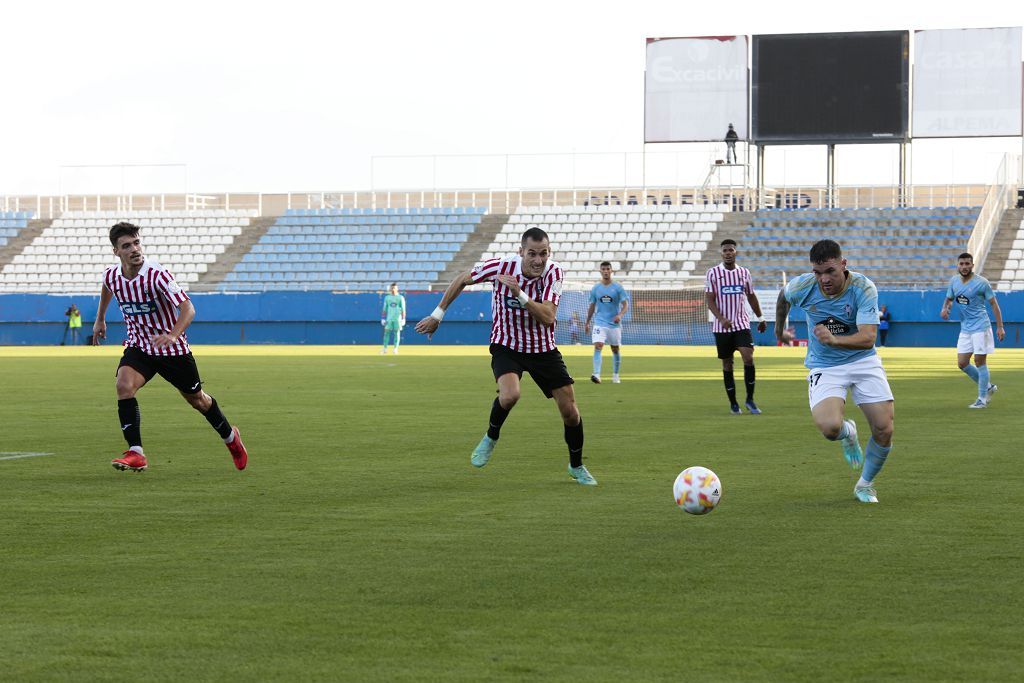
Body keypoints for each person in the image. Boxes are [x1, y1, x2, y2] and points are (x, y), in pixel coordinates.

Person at [414, 226, 596, 486]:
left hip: (543, 348)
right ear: (520, 251)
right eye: (532, 254)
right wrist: (437, 314)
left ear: (549, 252)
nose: (538, 260)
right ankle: (491, 436)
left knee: (570, 412)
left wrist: (519, 294)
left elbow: (548, 317)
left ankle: (576, 466)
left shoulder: (554, 272)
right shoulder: (500, 267)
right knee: (510, 395)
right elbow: (462, 278)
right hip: (507, 345)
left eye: (543, 254)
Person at [91, 222, 249, 473]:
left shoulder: (156, 274)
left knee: (197, 400)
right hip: (140, 345)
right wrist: (100, 318)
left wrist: (173, 335)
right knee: (123, 385)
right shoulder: (112, 275)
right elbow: (108, 288)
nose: (134, 249)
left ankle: (231, 439)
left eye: (136, 242)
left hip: (172, 351)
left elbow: (188, 308)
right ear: (116, 252)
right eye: (126, 245)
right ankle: (136, 453)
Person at [775, 239, 894, 504]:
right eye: (818, 273)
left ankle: (865, 484)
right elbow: (784, 297)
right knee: (830, 428)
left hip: (862, 360)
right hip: (825, 364)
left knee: (884, 429)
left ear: (843, 264)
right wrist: (778, 330)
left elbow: (868, 338)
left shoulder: (863, 288)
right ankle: (848, 433)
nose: (824, 279)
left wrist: (834, 339)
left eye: (830, 271)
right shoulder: (803, 286)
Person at [705, 239, 767, 414]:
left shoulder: (744, 273)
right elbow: (709, 299)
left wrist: (761, 317)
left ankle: (750, 400)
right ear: (721, 253)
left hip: (741, 324)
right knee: (727, 364)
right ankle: (733, 403)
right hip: (721, 327)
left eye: (731, 250)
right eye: (725, 250)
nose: (728, 253)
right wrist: (721, 318)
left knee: (748, 357)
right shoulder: (713, 273)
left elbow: (751, 296)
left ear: (736, 252)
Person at [940, 252, 1005, 408]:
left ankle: (982, 399)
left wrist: (1000, 326)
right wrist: (945, 308)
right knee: (962, 363)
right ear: (958, 265)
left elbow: (994, 304)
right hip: (966, 328)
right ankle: (988, 387)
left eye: (967, 264)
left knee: (979, 361)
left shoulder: (982, 283)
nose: (964, 267)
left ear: (972, 265)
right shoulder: (954, 281)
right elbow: (949, 299)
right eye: (961, 264)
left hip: (981, 327)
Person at [585, 261, 629, 384]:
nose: (605, 271)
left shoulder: (618, 288)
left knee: (615, 349)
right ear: (600, 271)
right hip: (599, 322)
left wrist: (620, 315)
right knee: (598, 345)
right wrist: (587, 322)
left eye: (607, 269)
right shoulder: (596, 288)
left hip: (614, 324)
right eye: (603, 269)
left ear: (611, 271)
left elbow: (625, 305)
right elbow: (592, 306)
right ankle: (596, 374)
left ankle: (615, 375)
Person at [380, 282, 406, 354]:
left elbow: (403, 309)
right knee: (386, 333)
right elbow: (384, 309)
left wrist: (403, 319)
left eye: (394, 288)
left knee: (396, 333)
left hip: (397, 319)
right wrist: (383, 318)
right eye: (391, 288)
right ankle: (385, 348)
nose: (393, 289)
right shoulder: (387, 298)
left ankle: (395, 348)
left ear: (397, 288)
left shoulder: (400, 297)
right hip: (389, 318)